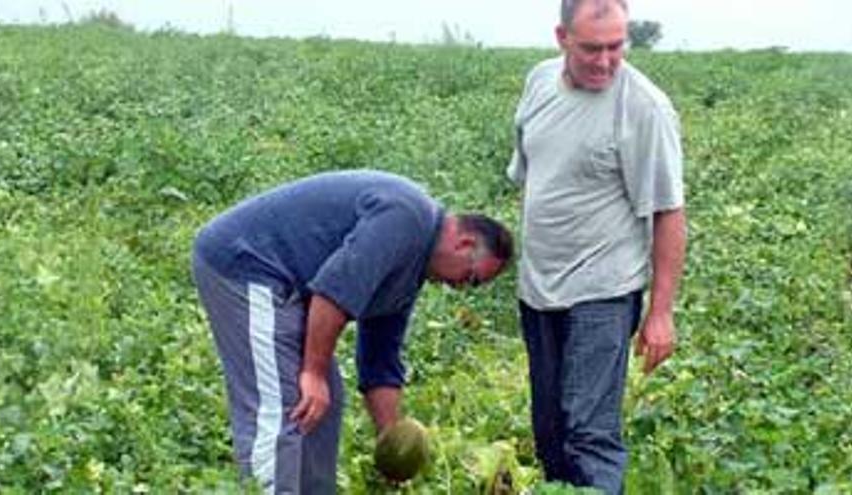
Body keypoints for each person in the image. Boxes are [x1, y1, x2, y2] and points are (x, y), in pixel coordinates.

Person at [191, 169, 514, 493]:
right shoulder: (407, 217)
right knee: (283, 406)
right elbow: (333, 292)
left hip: (288, 289)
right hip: (247, 266)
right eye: (471, 278)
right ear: (464, 243)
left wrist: (391, 440)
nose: (461, 289)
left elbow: (379, 359)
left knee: (320, 405)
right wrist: (313, 373)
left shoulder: (412, 268)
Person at [506, 0, 687, 492]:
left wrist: (661, 312)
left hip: (603, 293)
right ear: (562, 37)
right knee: (550, 433)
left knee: (589, 434)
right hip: (539, 290)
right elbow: (529, 176)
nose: (606, 61)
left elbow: (668, 211)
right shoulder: (539, 83)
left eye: (616, 46)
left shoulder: (643, 107)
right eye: (591, 48)